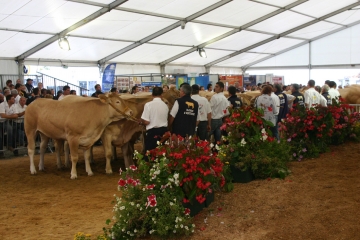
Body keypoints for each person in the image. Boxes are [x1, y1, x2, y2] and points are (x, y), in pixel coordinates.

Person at [139, 87, 169, 153]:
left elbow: (146, 122)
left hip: (153, 133)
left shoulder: (148, 105)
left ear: (152, 95)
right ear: (162, 95)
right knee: (162, 153)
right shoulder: (165, 105)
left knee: (150, 154)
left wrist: (141, 122)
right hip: (164, 132)